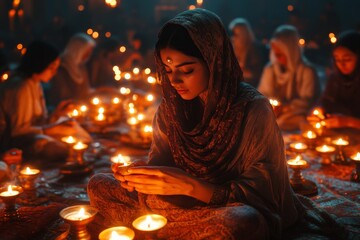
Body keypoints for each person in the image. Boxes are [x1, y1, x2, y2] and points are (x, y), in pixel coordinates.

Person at [88, 9, 300, 239]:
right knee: (98, 184)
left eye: (187, 70)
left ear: (214, 61)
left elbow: (265, 193)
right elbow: (161, 163)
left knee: (241, 223)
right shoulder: (170, 107)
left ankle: (161, 230)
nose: (174, 81)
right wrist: (141, 176)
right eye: (167, 70)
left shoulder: (252, 108)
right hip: (178, 204)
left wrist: (192, 186)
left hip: (227, 208)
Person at [0, 41, 87, 165]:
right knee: (58, 149)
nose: (54, 72)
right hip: (18, 143)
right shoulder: (21, 86)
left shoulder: (36, 83)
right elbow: (18, 131)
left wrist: (58, 114)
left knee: (72, 129)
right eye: (51, 67)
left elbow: (40, 120)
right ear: (40, 64)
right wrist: (51, 130)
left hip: (35, 135)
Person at [257, 25, 320, 131]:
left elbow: (309, 101)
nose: (277, 58)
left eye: (281, 54)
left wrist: (285, 108)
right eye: (275, 53)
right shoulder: (270, 70)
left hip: (295, 116)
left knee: (300, 121)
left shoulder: (307, 71)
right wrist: (271, 107)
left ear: (291, 52)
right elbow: (261, 95)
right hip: (272, 115)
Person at [308, 31, 360, 130]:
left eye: (347, 59)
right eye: (337, 59)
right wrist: (319, 110)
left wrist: (347, 121)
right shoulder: (335, 78)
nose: (341, 64)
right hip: (340, 134)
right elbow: (325, 101)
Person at [49, 33, 95, 107]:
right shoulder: (60, 68)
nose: (89, 55)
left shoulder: (81, 67)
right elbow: (60, 96)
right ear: (78, 50)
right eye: (87, 51)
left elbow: (86, 91)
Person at [228, 18, 267, 88]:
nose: (233, 37)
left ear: (243, 34)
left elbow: (255, 73)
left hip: (252, 87)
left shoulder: (254, 49)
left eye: (235, 34)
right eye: (232, 34)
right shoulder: (233, 48)